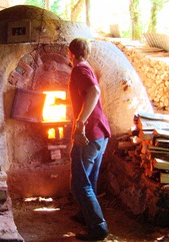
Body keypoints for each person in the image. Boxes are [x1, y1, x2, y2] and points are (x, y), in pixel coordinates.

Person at [68, 37, 111, 241]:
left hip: (89, 135)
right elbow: (87, 94)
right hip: (100, 134)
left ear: (71, 54)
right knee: (89, 179)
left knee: (79, 183)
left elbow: (94, 91)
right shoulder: (88, 66)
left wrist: (80, 123)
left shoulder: (79, 69)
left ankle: (98, 227)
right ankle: (85, 215)